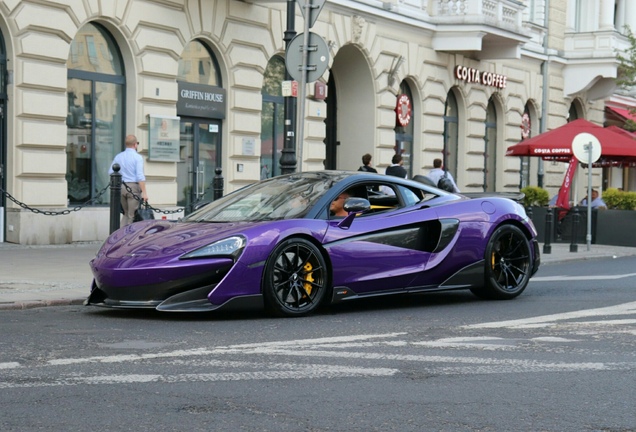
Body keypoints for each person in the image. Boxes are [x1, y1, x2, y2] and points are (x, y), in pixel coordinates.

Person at [109, 134, 148, 226]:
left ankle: (119, 236)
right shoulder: (137, 157)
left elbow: (111, 171)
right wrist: (144, 193)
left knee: (126, 214)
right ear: (135, 144)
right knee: (132, 215)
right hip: (133, 187)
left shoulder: (119, 156)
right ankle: (127, 237)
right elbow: (140, 176)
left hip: (121, 186)